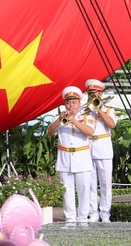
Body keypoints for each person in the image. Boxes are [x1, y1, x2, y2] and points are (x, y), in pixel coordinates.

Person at [47, 86, 95, 223]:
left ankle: (82, 218)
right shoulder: (59, 117)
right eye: (68, 102)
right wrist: (59, 120)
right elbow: (49, 132)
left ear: (79, 103)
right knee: (66, 191)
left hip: (82, 159)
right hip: (65, 159)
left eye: (74, 102)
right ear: (64, 104)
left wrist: (74, 120)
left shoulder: (86, 117)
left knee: (84, 190)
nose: (71, 105)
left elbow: (90, 132)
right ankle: (70, 219)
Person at [84, 78, 117, 223]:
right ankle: (93, 212)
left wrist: (99, 112)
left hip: (103, 147)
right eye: (90, 93)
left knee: (105, 183)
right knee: (90, 183)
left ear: (101, 94)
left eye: (95, 92)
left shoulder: (109, 110)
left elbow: (112, 124)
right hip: (87, 147)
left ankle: (105, 212)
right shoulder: (83, 110)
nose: (93, 95)